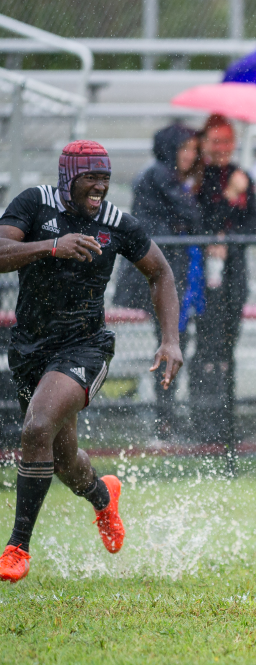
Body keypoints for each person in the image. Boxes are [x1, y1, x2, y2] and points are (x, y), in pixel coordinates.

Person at [0, 140, 183, 582]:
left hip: (85, 347)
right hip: (29, 349)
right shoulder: (34, 204)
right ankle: (104, 496)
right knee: (62, 459)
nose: (100, 186)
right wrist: (52, 246)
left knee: (35, 429)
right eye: (91, 178)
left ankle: (16, 547)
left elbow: (160, 272)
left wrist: (170, 341)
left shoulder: (116, 223)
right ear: (68, 179)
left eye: (105, 177)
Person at [115, 124, 200, 439]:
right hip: (154, 277)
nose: (192, 155)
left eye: (193, 149)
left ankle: (166, 416)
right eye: (186, 148)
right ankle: (165, 419)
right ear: (171, 149)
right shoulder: (161, 175)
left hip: (156, 274)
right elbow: (193, 215)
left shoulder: (157, 175)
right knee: (171, 340)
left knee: (172, 340)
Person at [191, 115, 256, 456]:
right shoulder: (196, 179)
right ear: (205, 143)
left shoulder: (243, 177)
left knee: (227, 350)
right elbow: (199, 221)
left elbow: (254, 229)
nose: (221, 149)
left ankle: (227, 426)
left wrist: (229, 239)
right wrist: (228, 199)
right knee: (205, 347)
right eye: (215, 142)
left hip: (233, 275)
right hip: (202, 277)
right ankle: (201, 424)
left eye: (226, 142)